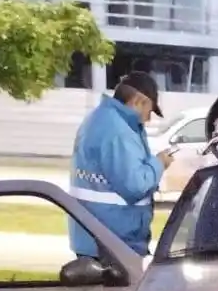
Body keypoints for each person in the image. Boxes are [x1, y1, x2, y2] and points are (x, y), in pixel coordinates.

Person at [68, 70, 175, 260]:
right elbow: (135, 186)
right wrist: (159, 164)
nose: (149, 119)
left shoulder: (101, 119)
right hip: (114, 243)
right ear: (137, 102)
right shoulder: (118, 132)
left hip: (97, 239)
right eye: (149, 111)